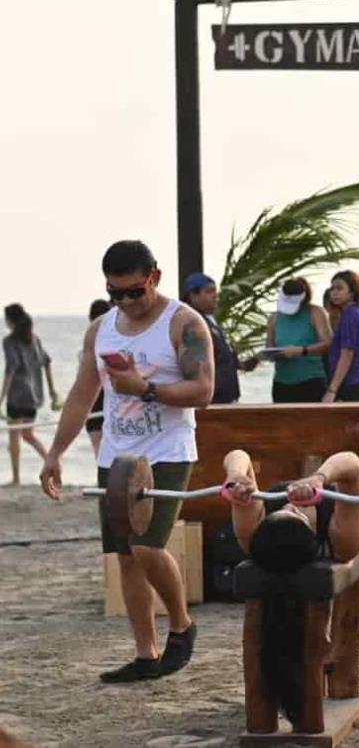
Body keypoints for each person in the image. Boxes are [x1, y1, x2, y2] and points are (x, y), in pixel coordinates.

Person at [39, 240, 214, 682]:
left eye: (133, 292)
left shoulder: (184, 323)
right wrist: (56, 453)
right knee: (125, 556)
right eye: (115, 293)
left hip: (167, 451)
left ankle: (181, 624)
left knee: (146, 545)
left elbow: (203, 391)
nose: (125, 302)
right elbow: (83, 394)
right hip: (118, 454)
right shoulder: (102, 329)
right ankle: (146, 654)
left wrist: (147, 389)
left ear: (153, 277)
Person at [222, 448, 359, 714]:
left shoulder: (252, 532)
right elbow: (351, 463)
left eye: (282, 508)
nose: (289, 503)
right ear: (308, 529)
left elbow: (238, 454)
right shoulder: (343, 538)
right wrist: (320, 478)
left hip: (317, 523)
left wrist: (235, 477)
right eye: (295, 512)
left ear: (267, 520)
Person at [2, 303, 59, 485]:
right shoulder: (34, 339)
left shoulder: (9, 341)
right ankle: (52, 462)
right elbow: (47, 362)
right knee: (28, 435)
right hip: (33, 398)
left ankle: (16, 478)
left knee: (14, 437)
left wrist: (1, 398)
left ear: (11, 321)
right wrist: (52, 392)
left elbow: (10, 370)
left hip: (17, 397)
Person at [183, 273, 255, 404]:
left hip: (228, 397)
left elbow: (222, 357)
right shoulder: (192, 325)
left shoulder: (212, 321)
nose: (215, 296)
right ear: (193, 296)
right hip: (214, 399)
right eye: (209, 291)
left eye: (215, 291)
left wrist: (245, 363)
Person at [267, 278, 332, 403]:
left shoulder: (315, 312)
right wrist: (272, 354)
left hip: (310, 380)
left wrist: (302, 350)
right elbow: (270, 347)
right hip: (282, 382)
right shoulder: (274, 318)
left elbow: (327, 343)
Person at [325, 271, 359, 402]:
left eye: (340, 288)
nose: (334, 293)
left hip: (351, 383)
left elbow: (347, 353)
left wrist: (332, 389)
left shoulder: (350, 315)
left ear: (352, 292)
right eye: (332, 289)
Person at [85, 299, 113, 457]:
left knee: (100, 451)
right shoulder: (117, 339)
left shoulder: (91, 341)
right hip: (107, 401)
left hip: (97, 403)